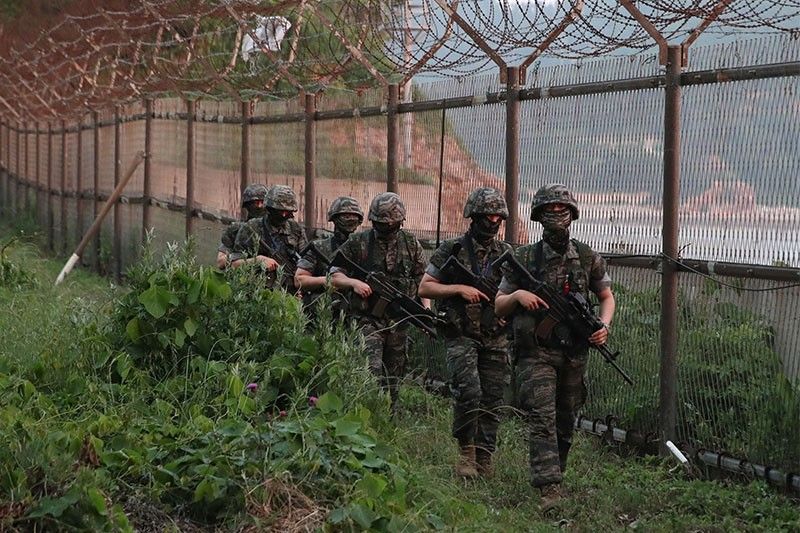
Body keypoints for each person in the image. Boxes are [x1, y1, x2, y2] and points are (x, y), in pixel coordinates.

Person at [494, 184, 615, 512]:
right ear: (539, 216)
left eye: (563, 210)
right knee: (542, 415)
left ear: (572, 215)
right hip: (536, 352)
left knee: (565, 417)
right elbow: (499, 304)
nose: (557, 215)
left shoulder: (587, 257)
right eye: (550, 210)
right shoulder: (524, 258)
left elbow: (606, 296)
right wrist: (518, 296)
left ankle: (556, 471)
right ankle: (549, 487)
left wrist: (603, 326)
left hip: (574, 353)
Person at [418, 187, 513, 479]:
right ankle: (466, 452)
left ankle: (485, 456)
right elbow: (425, 287)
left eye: (498, 217)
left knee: (492, 397)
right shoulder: (453, 249)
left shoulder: (506, 253)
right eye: (487, 216)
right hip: (461, 333)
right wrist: (459, 289)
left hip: (495, 335)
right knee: (469, 391)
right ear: (474, 216)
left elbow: (516, 291)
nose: (493, 221)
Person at [330, 192, 430, 412]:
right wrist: (354, 283)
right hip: (367, 320)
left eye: (391, 224)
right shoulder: (359, 242)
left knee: (393, 378)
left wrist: (425, 312)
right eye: (381, 223)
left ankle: (388, 419)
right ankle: (363, 415)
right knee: (369, 372)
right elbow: (334, 274)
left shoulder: (410, 243)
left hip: (398, 322)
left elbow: (423, 280)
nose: (386, 228)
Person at [294, 196, 364, 319]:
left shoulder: (364, 247)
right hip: (323, 312)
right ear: (334, 218)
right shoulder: (319, 247)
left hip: (356, 314)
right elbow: (299, 280)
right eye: (346, 216)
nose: (350, 219)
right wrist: (328, 281)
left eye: (354, 216)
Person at [231, 184, 308, 292]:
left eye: (287, 212)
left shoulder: (296, 229)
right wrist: (258, 261)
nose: (284, 215)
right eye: (280, 211)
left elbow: (306, 263)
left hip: (291, 292)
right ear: (269, 209)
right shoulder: (251, 228)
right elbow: (233, 265)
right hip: (257, 291)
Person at [217, 183, 268, 269]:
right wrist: (255, 261)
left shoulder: (278, 230)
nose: (259, 206)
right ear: (247, 205)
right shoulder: (236, 229)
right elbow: (221, 262)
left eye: (262, 202)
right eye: (256, 203)